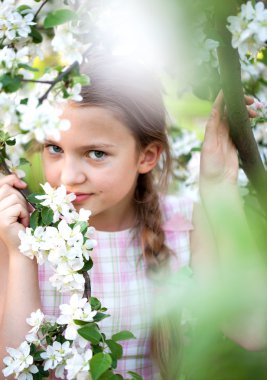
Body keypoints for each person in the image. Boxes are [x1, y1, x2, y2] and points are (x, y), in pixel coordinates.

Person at [0, 52, 264, 379]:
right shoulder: (20, 232)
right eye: (55, 148)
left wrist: (218, 188)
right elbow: (14, 373)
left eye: (96, 154)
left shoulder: (183, 224)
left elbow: (254, 327)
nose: (68, 176)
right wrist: (20, 254)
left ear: (147, 156)